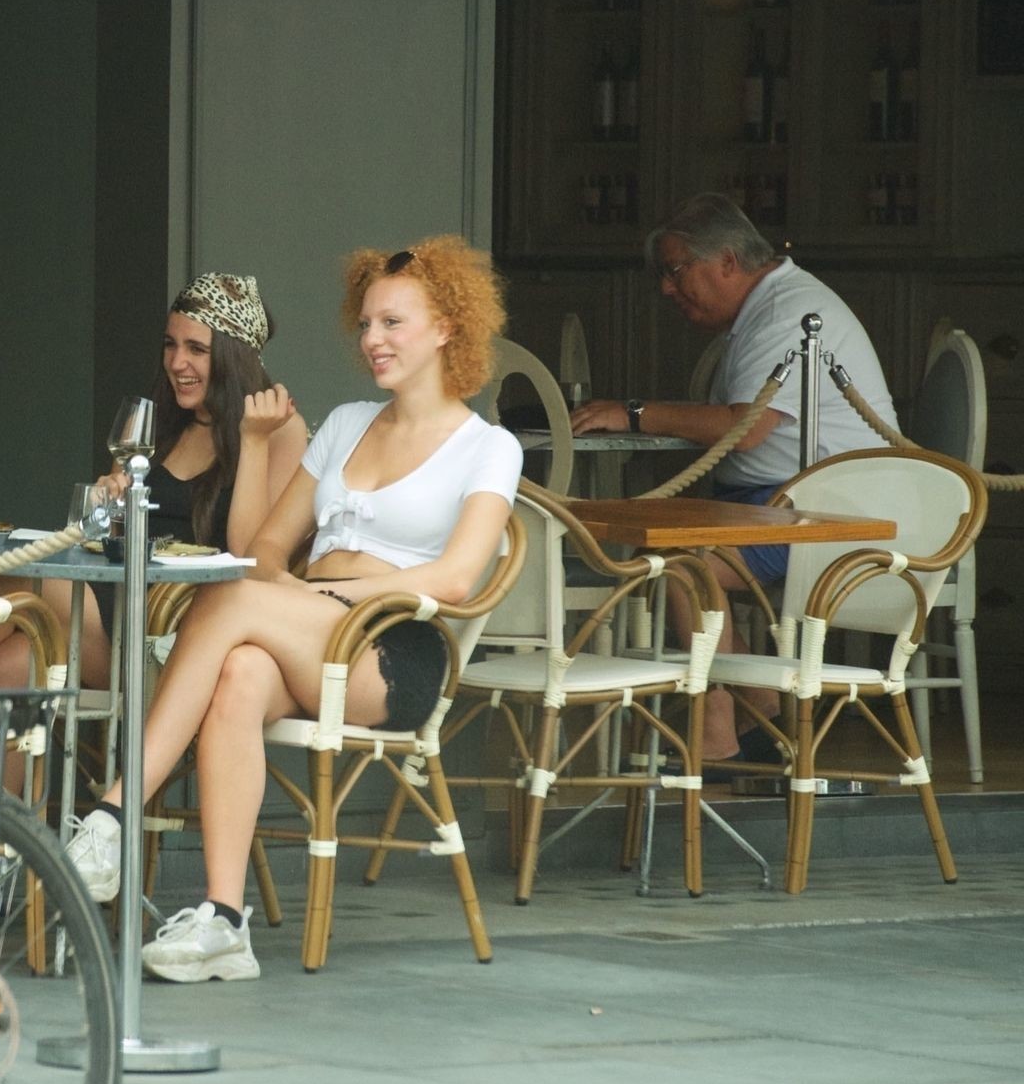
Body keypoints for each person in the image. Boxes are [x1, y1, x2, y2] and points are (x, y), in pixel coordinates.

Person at [68, 237, 521, 982]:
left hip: (392, 649)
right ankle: (223, 920)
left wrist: (327, 595)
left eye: (393, 323)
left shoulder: (488, 447)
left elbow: (457, 577)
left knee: (232, 601)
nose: (372, 339)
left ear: (447, 328)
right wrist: (256, 458)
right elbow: (265, 551)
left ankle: (113, 817)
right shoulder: (345, 423)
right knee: (241, 671)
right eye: (366, 323)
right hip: (311, 633)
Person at [569, 193, 899, 764]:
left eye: (675, 270)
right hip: (783, 501)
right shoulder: (769, 306)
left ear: (726, 260)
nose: (666, 288)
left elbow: (742, 429)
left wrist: (633, 414)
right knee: (672, 554)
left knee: (683, 564)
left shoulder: (787, 312)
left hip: (830, 511)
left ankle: (717, 733)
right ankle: (760, 709)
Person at [0, 272, 309, 695]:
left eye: (197, 349)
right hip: (117, 601)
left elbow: (251, 561)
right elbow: (111, 542)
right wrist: (110, 507)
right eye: (170, 344)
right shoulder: (161, 419)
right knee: (9, 664)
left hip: (178, 634)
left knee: (8, 578)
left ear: (235, 358)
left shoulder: (278, 429)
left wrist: (253, 439)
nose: (177, 362)